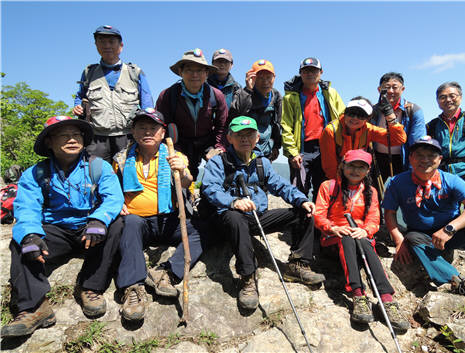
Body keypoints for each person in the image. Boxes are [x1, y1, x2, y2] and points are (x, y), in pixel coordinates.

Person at [1, 116, 124, 337]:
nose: (72, 139)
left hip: (90, 229)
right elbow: (26, 207)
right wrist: (30, 235)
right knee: (20, 242)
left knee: (118, 223)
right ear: (49, 142)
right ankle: (34, 307)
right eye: (64, 135)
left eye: (76, 135)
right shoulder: (36, 173)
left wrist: (99, 219)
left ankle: (91, 287)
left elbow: (113, 198)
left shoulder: (98, 167)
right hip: (55, 230)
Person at [200, 116, 325, 310]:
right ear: (229, 138)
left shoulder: (262, 163)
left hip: (256, 217)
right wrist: (233, 202)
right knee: (234, 217)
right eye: (239, 135)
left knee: (303, 213)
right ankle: (247, 276)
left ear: (257, 137)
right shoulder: (219, 162)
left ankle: (297, 265)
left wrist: (302, 200)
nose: (244, 139)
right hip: (229, 218)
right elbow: (210, 189)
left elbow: (280, 185)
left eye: (249, 134)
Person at [383, 136, 465, 306]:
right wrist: (399, 239)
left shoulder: (451, 180)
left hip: (451, 234)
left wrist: (449, 229)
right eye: (419, 155)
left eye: (431, 156)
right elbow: (389, 213)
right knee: (411, 237)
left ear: (439, 160)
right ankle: (462, 283)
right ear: (410, 158)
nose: (425, 160)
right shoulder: (398, 182)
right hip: (423, 237)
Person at [112, 108, 202, 322]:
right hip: (138, 222)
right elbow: (112, 189)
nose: (147, 132)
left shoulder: (175, 156)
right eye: (142, 127)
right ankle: (133, 288)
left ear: (162, 133)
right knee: (131, 221)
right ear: (133, 132)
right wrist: (116, 204)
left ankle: (167, 273)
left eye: (153, 128)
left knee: (203, 230)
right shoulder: (122, 159)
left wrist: (183, 172)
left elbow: (188, 184)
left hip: (169, 221)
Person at [314, 149, 409, 331]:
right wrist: (333, 228)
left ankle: (386, 299)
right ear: (343, 166)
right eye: (352, 166)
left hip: (360, 240)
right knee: (348, 237)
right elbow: (319, 215)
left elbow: (374, 220)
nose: (356, 171)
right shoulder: (328, 186)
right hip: (333, 239)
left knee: (361, 239)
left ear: (368, 170)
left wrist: (365, 231)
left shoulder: (371, 191)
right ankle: (358, 294)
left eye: (361, 167)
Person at [73, 25, 154, 162]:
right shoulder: (89, 72)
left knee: (127, 175)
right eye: (102, 41)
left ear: (121, 46)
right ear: (96, 45)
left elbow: (147, 105)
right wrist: (77, 106)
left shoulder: (134, 72)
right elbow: (80, 96)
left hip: (128, 135)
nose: (107, 46)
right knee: (95, 176)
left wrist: (146, 132)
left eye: (111, 42)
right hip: (97, 137)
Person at [155, 48, 229, 180]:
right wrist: (174, 150)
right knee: (182, 175)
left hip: (208, 141)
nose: (194, 75)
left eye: (199, 70)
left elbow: (222, 126)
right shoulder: (168, 95)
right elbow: (161, 126)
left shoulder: (216, 96)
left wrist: (218, 148)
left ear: (206, 73)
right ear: (180, 72)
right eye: (189, 70)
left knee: (219, 166)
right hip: (180, 143)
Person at [281, 57, 345, 200]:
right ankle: (301, 221)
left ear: (321, 72)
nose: (310, 74)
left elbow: (342, 118)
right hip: (301, 150)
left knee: (323, 188)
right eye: (306, 71)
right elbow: (285, 126)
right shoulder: (290, 98)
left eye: (314, 71)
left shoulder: (330, 93)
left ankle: (318, 222)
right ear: (300, 73)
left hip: (326, 147)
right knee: (300, 189)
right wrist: (292, 153)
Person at [319, 96, 407, 180]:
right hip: (335, 179)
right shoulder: (331, 131)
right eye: (351, 113)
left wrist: (390, 117)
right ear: (345, 113)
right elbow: (330, 168)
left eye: (361, 115)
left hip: (357, 178)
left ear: (367, 119)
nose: (355, 118)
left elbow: (398, 140)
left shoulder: (368, 130)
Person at [370, 72, 426, 179]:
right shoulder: (372, 111)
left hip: (403, 160)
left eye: (394, 87)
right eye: (386, 87)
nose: (390, 91)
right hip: (377, 161)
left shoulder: (413, 110)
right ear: (379, 89)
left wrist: (414, 169)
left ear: (402, 89)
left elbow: (417, 143)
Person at [229, 59, 282, 161]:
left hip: (266, 151)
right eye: (260, 78)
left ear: (274, 78)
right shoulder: (241, 94)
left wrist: (276, 146)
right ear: (252, 78)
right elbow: (234, 119)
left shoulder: (276, 96)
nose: (265, 81)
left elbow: (278, 123)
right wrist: (248, 91)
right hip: (243, 150)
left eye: (268, 77)